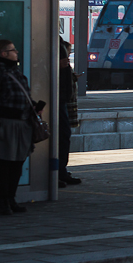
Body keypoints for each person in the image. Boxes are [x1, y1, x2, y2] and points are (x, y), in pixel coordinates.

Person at [0, 39, 42, 215]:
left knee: (17, 163)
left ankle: (12, 198)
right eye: (12, 50)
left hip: (22, 123)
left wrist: (34, 106)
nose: (16, 52)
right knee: (3, 163)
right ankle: (4, 201)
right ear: (3, 54)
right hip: (5, 122)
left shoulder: (15, 70)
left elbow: (21, 95)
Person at [57, 39, 82, 187]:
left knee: (63, 136)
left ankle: (60, 171)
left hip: (61, 99)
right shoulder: (52, 42)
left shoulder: (57, 43)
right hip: (58, 100)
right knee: (62, 136)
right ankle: (59, 171)